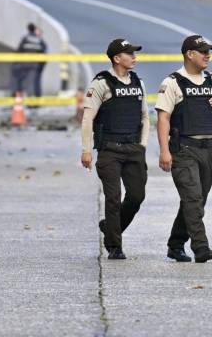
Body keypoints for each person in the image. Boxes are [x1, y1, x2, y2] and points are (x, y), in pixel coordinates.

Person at [156, 34, 212, 263]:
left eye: (209, 51)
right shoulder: (173, 82)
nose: (208, 55)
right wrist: (164, 151)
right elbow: (163, 118)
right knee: (194, 199)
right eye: (203, 51)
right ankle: (201, 247)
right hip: (184, 149)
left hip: (208, 149)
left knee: (195, 201)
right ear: (189, 54)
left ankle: (176, 244)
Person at [81, 38, 149, 260]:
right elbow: (88, 118)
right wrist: (86, 150)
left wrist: (143, 145)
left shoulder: (138, 82)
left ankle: (110, 227)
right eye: (129, 54)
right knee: (112, 197)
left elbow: (145, 116)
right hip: (110, 149)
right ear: (117, 58)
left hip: (133, 149)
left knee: (137, 196)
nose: (134, 57)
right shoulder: (101, 83)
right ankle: (114, 246)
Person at [12, 23, 47, 97]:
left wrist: (17, 62)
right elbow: (43, 52)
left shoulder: (25, 38)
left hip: (24, 64)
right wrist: (40, 65)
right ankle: (32, 102)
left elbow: (19, 50)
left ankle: (18, 98)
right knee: (32, 83)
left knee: (20, 81)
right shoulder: (39, 40)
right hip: (35, 65)